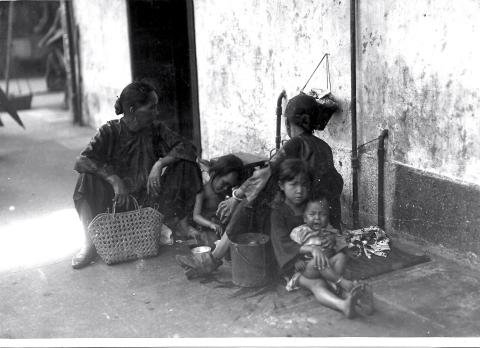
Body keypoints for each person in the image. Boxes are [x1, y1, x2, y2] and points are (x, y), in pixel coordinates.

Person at [176, 92, 343, 275]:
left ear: (288, 122)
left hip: (304, 213)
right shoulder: (324, 146)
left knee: (249, 203)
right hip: (324, 214)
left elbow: (263, 174)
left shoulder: (295, 143)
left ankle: (214, 257)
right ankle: (219, 253)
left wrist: (236, 196)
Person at [72, 81, 202, 269]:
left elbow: (187, 147)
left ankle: (180, 223)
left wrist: (159, 164)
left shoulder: (156, 129)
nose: (156, 112)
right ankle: (89, 242)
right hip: (116, 204)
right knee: (86, 179)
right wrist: (114, 180)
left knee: (186, 163)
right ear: (132, 109)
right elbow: (83, 160)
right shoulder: (109, 131)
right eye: (151, 108)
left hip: (149, 202)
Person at [270, 158, 362, 319]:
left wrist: (332, 240)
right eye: (293, 184)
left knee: (339, 259)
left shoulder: (310, 206)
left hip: (322, 260)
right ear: (281, 185)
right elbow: (282, 243)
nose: (299, 190)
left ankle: (344, 297)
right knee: (317, 282)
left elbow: (328, 226)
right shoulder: (278, 213)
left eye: (304, 185)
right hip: (296, 267)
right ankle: (341, 289)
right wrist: (310, 250)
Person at [190, 154, 244, 247]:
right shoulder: (202, 191)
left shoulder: (226, 192)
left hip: (220, 229)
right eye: (224, 183)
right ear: (214, 173)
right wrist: (211, 225)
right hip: (206, 229)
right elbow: (196, 216)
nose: (225, 188)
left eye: (229, 186)